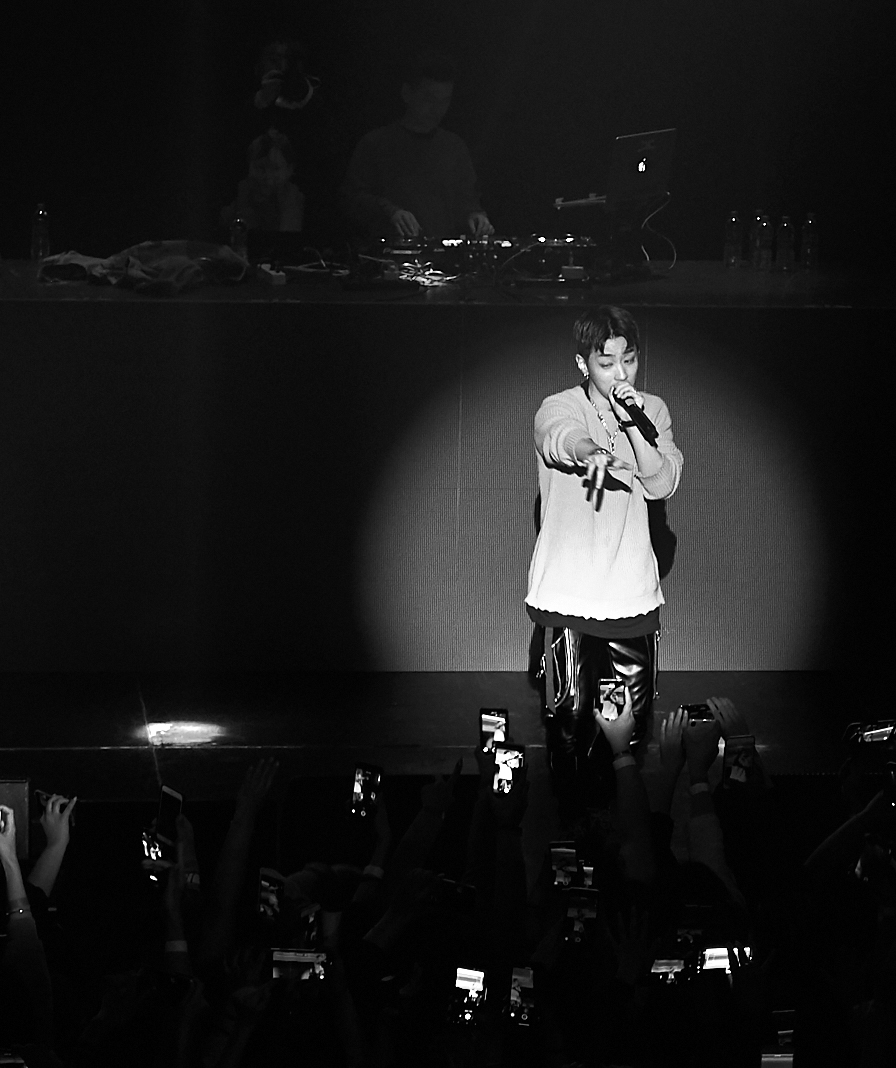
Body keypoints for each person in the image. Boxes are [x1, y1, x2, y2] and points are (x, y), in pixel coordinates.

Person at [527, 306, 682, 810]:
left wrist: (633, 422)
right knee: (568, 724)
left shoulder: (652, 410)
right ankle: (569, 825)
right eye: (607, 363)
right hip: (568, 596)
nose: (620, 374)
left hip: (628, 595)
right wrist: (590, 450)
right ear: (582, 363)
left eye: (629, 361)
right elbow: (558, 437)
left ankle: (624, 832)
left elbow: (661, 482)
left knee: (628, 730)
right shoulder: (561, 405)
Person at [340, 50, 493, 241]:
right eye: (429, 99)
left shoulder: (454, 147)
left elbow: (467, 200)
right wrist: (390, 212)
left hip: (443, 254)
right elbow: (352, 199)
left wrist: (476, 216)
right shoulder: (375, 144)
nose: (437, 109)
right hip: (390, 252)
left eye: (445, 101)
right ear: (407, 93)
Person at [220, 129, 305, 234]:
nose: (267, 176)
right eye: (260, 168)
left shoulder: (297, 201)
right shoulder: (240, 196)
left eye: (275, 169)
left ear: (289, 169)